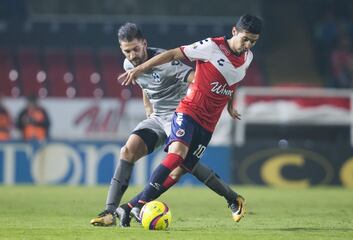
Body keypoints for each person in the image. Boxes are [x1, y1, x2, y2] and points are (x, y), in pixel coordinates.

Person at [90, 23, 244, 227]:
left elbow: (200, 79)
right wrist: (148, 107)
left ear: (144, 43)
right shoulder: (128, 65)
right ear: (121, 50)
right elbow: (145, 84)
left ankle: (232, 198)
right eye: (127, 51)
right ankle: (109, 211)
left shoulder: (165, 62)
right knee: (127, 151)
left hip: (182, 115)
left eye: (136, 49)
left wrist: (226, 99)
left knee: (183, 166)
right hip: (157, 118)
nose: (133, 55)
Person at [120, 14, 262, 223]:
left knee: (179, 172)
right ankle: (140, 205)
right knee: (176, 155)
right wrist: (141, 68)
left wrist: (230, 105)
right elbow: (172, 54)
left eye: (253, 41)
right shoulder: (211, 47)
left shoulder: (247, 57)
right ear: (234, 32)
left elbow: (234, 79)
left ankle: (129, 206)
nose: (248, 44)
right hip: (188, 111)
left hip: (208, 123)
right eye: (245, 39)